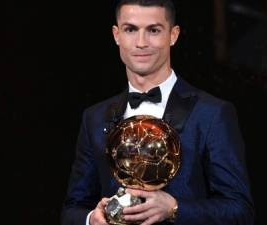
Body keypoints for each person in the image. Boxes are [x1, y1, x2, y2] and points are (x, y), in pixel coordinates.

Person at [61, 0, 254, 224]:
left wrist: (175, 208)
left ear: (173, 35)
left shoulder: (212, 114)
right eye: (131, 29)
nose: (141, 43)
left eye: (153, 30)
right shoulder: (94, 118)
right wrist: (91, 219)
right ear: (116, 35)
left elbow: (240, 211)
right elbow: (72, 210)